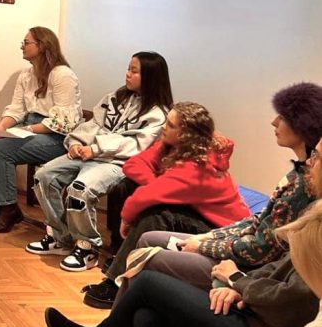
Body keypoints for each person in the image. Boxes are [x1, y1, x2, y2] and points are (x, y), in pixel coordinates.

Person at [45, 136, 322, 327]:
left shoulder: (308, 206)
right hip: (250, 298)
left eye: (317, 156)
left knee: (148, 278)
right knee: (145, 318)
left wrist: (237, 279)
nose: (310, 162)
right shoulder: (307, 197)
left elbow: (290, 295)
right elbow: (271, 255)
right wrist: (238, 283)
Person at [127, 82, 322, 291]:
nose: (273, 122)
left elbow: (260, 250)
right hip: (233, 240)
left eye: (282, 117)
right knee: (148, 238)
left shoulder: (303, 185)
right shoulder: (297, 174)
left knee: (148, 255)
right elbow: (258, 221)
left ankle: (121, 296)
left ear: (302, 126)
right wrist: (208, 237)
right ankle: (120, 301)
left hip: (247, 267)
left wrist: (203, 245)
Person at [81, 102, 250, 308]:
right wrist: (158, 184)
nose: (163, 127)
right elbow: (134, 164)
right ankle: (121, 258)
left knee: (157, 215)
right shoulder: (171, 146)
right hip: (198, 213)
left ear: (185, 134)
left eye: (170, 125)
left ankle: (116, 282)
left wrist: (126, 218)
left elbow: (145, 197)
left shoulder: (198, 167)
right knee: (127, 187)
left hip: (222, 231)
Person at [27, 52, 172, 272]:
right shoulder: (115, 98)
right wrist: (76, 142)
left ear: (150, 76)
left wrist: (95, 148)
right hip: (88, 152)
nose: (127, 74)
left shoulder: (158, 113)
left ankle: (87, 247)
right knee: (43, 177)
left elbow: (135, 144)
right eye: (128, 68)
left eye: (134, 71)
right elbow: (93, 124)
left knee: (80, 189)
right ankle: (59, 236)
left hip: (117, 162)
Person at [0, 27, 83, 233]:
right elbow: (16, 109)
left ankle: (8, 209)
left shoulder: (63, 75)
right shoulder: (26, 75)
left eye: (26, 42)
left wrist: (27, 129)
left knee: (0, 149)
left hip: (57, 137)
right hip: (31, 128)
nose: (22, 47)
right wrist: (1, 128)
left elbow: (64, 122)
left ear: (42, 45)